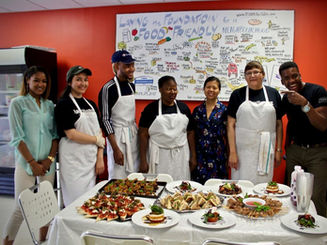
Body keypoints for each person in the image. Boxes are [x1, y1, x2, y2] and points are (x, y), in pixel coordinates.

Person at [3, 66, 58, 245]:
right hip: (26, 163)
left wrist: (49, 159)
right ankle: (7, 242)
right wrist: (32, 162)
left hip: (47, 163)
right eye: (36, 80)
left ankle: (43, 241)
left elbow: (55, 136)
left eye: (44, 81)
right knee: (21, 207)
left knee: (46, 205)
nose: (40, 84)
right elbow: (17, 137)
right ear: (27, 81)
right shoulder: (18, 103)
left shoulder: (50, 105)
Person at [279, 61, 327, 217]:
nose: (291, 80)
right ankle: (293, 228)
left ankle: (320, 237)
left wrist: (305, 104)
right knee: (292, 195)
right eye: (287, 78)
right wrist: (285, 148)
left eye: (295, 76)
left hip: (318, 152)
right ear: (282, 81)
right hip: (295, 151)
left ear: (300, 75)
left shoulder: (318, 91)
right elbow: (280, 121)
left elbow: (322, 124)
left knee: (316, 197)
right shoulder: (286, 98)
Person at [55, 65, 105, 206]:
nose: (83, 83)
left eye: (85, 79)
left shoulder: (91, 104)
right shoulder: (64, 104)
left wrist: (100, 157)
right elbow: (71, 134)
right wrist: (96, 140)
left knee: (90, 201)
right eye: (78, 79)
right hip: (73, 162)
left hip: (90, 160)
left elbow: (99, 131)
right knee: (75, 203)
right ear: (70, 82)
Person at [227, 61, 283, 184]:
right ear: (245, 76)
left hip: (266, 148)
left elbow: (278, 124)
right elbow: (230, 125)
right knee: (241, 184)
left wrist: (279, 150)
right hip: (243, 151)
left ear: (263, 75)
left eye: (256, 72)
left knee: (263, 184)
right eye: (249, 73)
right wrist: (232, 152)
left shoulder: (273, 93)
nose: (252, 75)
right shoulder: (237, 94)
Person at [138, 75, 197, 180]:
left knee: (180, 185)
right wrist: (143, 160)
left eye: (175, 89)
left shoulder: (184, 108)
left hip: (181, 155)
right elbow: (143, 134)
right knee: (159, 184)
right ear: (160, 90)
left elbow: (190, 132)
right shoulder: (151, 109)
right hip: (159, 156)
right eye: (169, 89)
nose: (173, 92)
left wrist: (193, 156)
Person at [98, 50, 139, 179]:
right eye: (127, 66)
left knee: (135, 175)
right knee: (118, 175)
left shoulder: (132, 86)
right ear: (117, 66)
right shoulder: (108, 89)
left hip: (132, 134)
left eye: (132, 65)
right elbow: (105, 120)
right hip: (117, 137)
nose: (131, 69)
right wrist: (115, 149)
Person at [191, 76, 228, 184]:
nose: (211, 90)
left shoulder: (224, 110)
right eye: (208, 87)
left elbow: (229, 134)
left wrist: (230, 155)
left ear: (219, 90)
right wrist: (193, 155)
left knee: (217, 186)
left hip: (218, 155)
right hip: (200, 155)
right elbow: (192, 134)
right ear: (204, 89)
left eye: (214, 88)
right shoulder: (198, 110)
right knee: (199, 187)